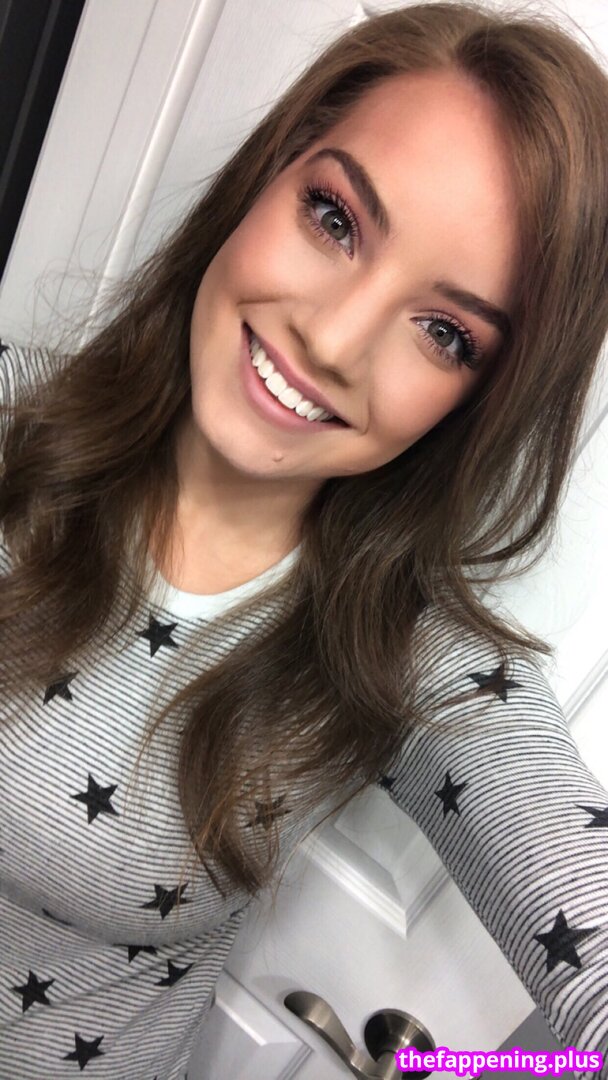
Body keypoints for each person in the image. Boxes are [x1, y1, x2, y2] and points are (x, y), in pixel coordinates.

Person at [0, 2, 607, 1077]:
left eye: (443, 332)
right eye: (335, 219)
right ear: (270, 174)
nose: (330, 338)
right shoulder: (15, 426)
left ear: (480, 399)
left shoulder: (407, 658)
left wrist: (483, 1069)